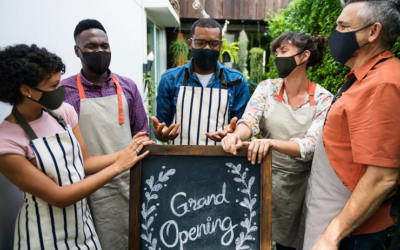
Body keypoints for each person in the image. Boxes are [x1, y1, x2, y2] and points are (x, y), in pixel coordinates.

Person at [0, 44, 154, 250]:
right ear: (26, 89)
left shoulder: (63, 113)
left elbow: (86, 162)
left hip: (84, 229)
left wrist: (129, 152)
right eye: (53, 86)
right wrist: (118, 166)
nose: (60, 90)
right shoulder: (7, 142)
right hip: (43, 236)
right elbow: (59, 197)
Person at [300, 0, 400, 249]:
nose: (334, 33)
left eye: (343, 27)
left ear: (373, 32)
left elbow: (382, 177)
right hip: (332, 213)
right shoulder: (360, 78)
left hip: (351, 233)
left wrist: (331, 236)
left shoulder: (384, 84)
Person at [220, 32, 333, 249]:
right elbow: (249, 121)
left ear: (304, 56)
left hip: (299, 188)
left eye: (284, 52)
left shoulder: (323, 99)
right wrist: (235, 135)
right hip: (263, 178)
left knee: (289, 245)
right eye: (276, 53)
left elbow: (310, 146)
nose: (278, 57)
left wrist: (271, 143)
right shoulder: (267, 88)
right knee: (251, 237)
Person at [61, 19, 149, 250]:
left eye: (104, 46)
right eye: (91, 47)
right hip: (87, 188)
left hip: (130, 182)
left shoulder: (127, 86)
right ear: (77, 50)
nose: (99, 51)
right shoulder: (63, 93)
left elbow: (142, 135)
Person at [152, 18, 250, 145]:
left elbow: (243, 126)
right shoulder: (170, 79)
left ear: (220, 45)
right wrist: (161, 134)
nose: (207, 48)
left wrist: (233, 134)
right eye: (200, 43)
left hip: (223, 159)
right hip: (179, 161)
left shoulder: (236, 80)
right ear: (189, 43)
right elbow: (162, 126)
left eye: (214, 44)